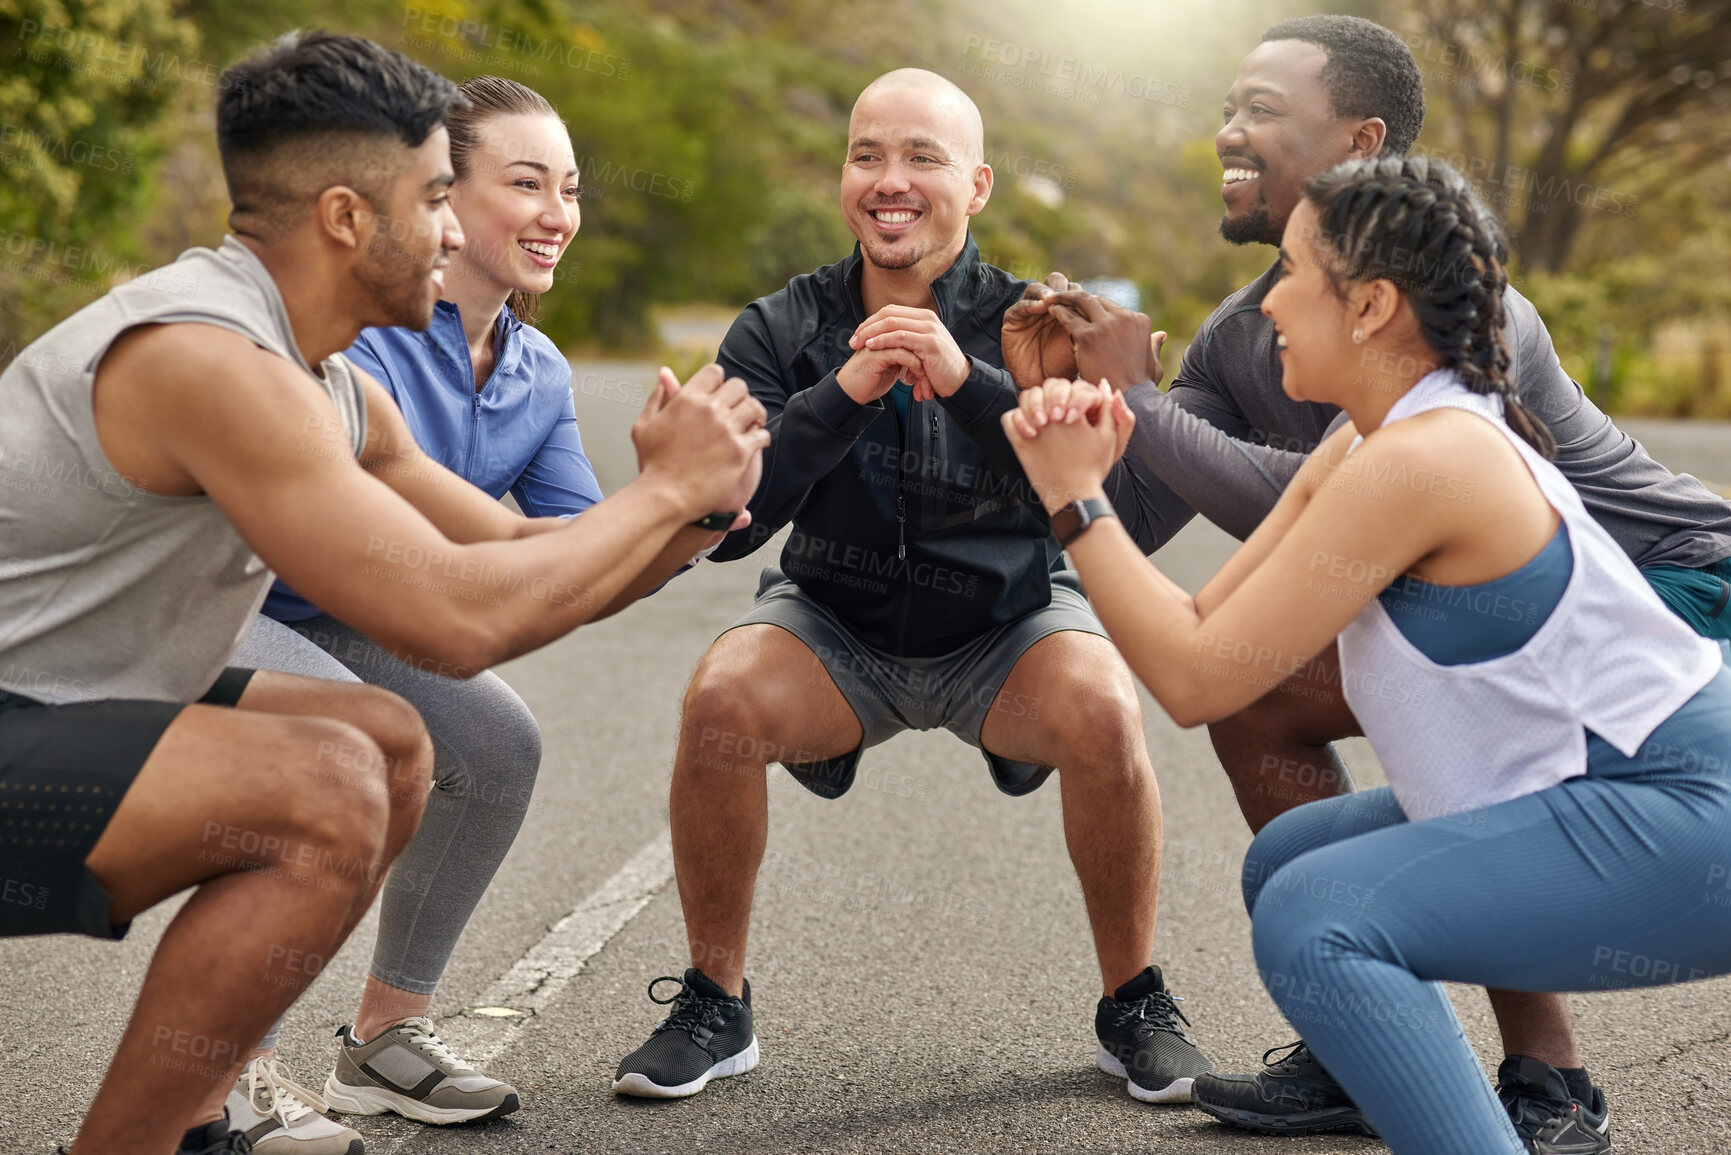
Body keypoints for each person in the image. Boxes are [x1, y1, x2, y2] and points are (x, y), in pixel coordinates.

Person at [0, 31, 766, 1155]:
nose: (455, 231)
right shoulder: (207, 362)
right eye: (436, 200)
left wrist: (690, 509)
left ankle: (201, 1110)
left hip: (55, 717)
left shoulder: (332, 383)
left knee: (390, 742)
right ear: (349, 219)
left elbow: (513, 545)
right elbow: (457, 620)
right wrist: (659, 498)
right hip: (24, 720)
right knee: (328, 790)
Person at [1000, 15, 1731, 1149]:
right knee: (1302, 849)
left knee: (1318, 912)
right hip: (1576, 724)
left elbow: (1192, 654)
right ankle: (1386, 1052)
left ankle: (1545, 1081)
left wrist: (1095, 470)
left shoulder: (1444, 414)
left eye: (1296, 274)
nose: (1270, 301)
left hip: (1687, 669)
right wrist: (1075, 434)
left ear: (1375, 298)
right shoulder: (1350, 419)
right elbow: (1193, 620)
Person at [610, 68, 1210, 1106]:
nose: (890, 180)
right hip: (833, 629)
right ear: (844, 178)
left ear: (977, 185)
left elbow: (1080, 502)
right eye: (867, 155)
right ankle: (716, 1001)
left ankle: (1134, 1003)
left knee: (1109, 707)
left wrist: (966, 380)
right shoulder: (780, 324)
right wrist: (839, 395)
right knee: (719, 699)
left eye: (922, 158)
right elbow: (726, 528)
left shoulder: (1041, 321)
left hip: (1008, 623)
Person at [219, 74, 609, 1150]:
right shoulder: (364, 330)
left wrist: (703, 502)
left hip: (342, 609)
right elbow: (424, 562)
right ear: (443, 196)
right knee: (345, 735)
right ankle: (221, 1076)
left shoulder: (538, 371)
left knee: (494, 742)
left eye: (568, 188)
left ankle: (384, 1044)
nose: (556, 213)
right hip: (222, 596)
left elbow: (581, 553)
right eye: (523, 182)